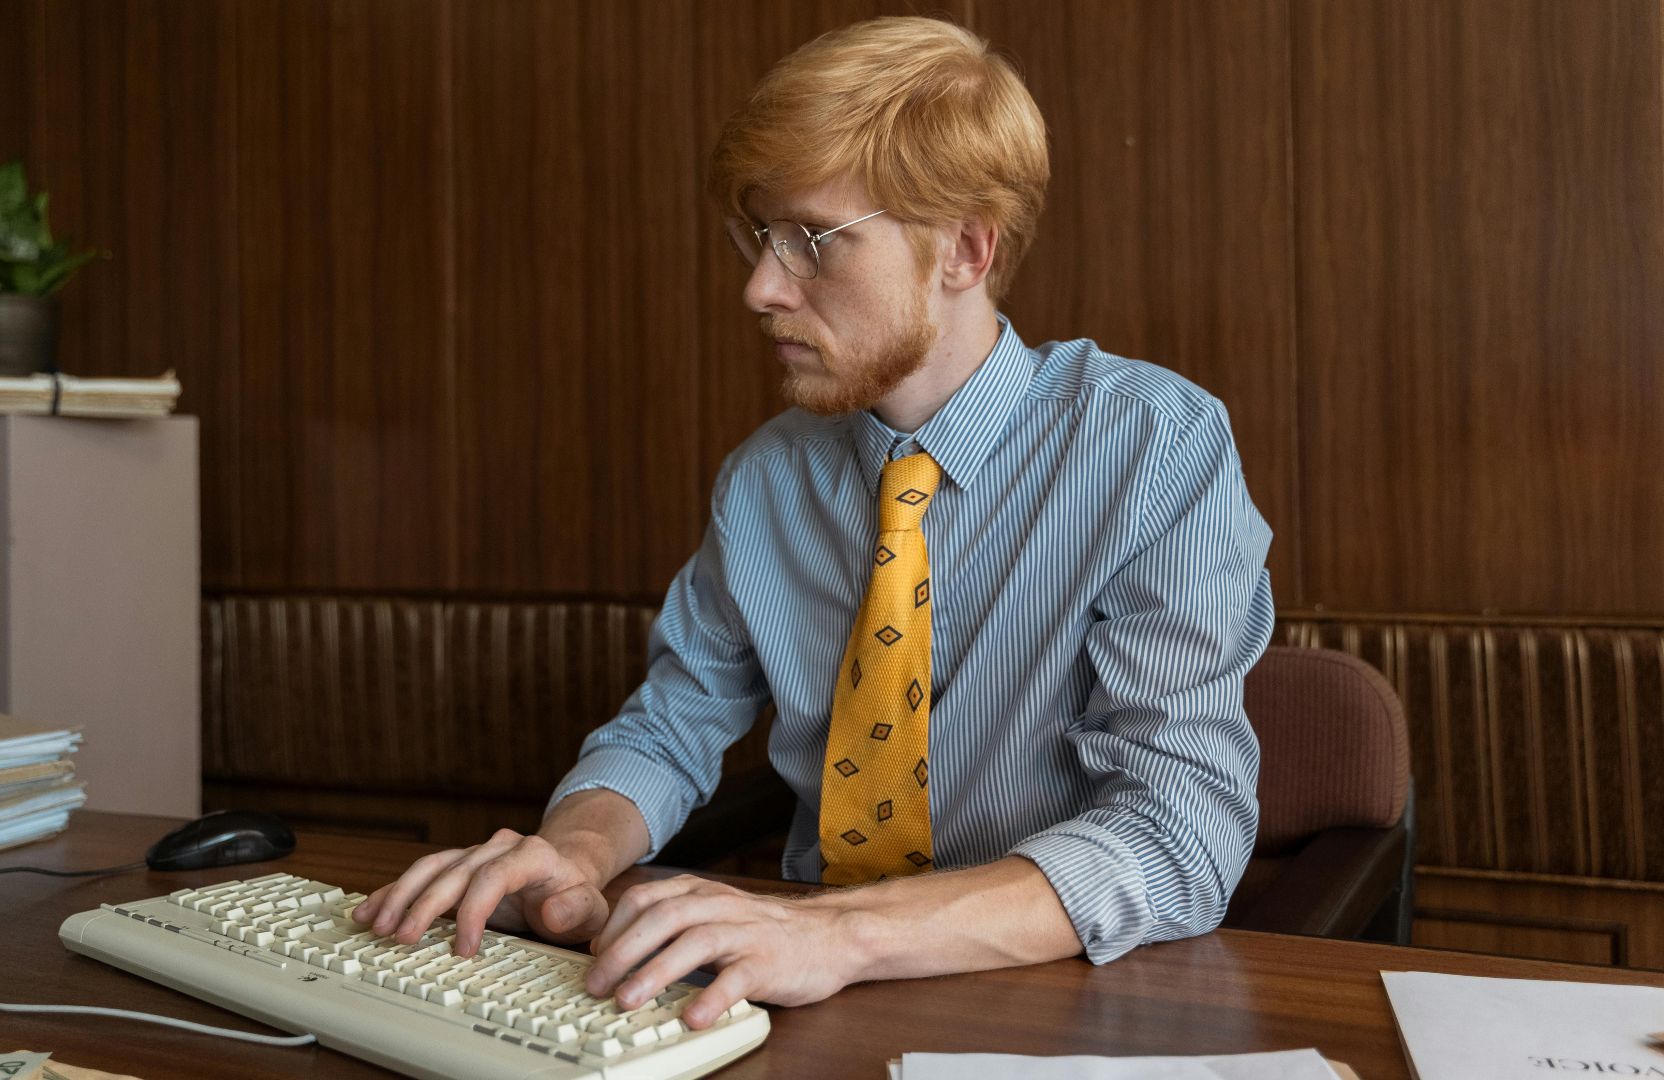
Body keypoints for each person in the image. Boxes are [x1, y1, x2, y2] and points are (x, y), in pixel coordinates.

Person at [353, 14, 1273, 1030]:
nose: (759, 287)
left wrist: (844, 933)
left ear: (964, 249)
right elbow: (669, 726)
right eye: (758, 234)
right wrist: (575, 849)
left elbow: (1179, 833)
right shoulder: (765, 479)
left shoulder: (1153, 444)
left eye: (812, 242)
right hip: (797, 993)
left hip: (1052, 1006)